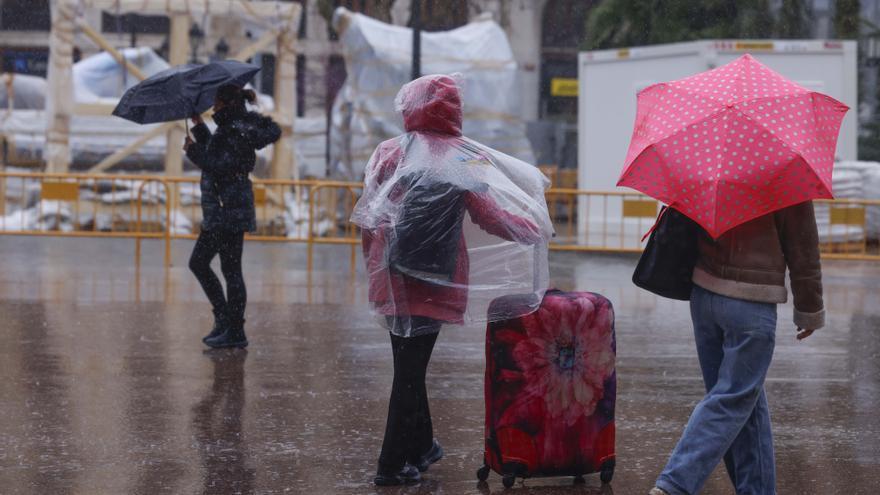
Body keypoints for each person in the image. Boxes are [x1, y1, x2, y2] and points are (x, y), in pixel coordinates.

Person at [353, 75, 548, 486]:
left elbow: (370, 217)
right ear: (453, 110)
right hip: (437, 280)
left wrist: (375, 268)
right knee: (410, 373)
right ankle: (390, 465)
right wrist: (532, 229)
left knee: (409, 369)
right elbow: (488, 214)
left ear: (410, 107)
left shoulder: (389, 153)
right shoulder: (464, 158)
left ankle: (421, 447)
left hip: (394, 276)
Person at [650, 201, 825, 495]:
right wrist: (810, 309)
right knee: (731, 400)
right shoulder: (785, 170)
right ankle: (675, 483)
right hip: (751, 303)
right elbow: (802, 246)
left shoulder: (708, 160)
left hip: (704, 295)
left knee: (744, 404)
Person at [184, 84, 281, 349]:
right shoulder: (233, 128)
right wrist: (199, 127)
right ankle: (230, 326)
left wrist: (193, 152)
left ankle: (230, 323)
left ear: (227, 103)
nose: (213, 107)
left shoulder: (234, 129)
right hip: (229, 207)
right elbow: (219, 153)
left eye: (216, 102)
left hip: (226, 209)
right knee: (229, 269)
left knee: (203, 263)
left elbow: (219, 165)